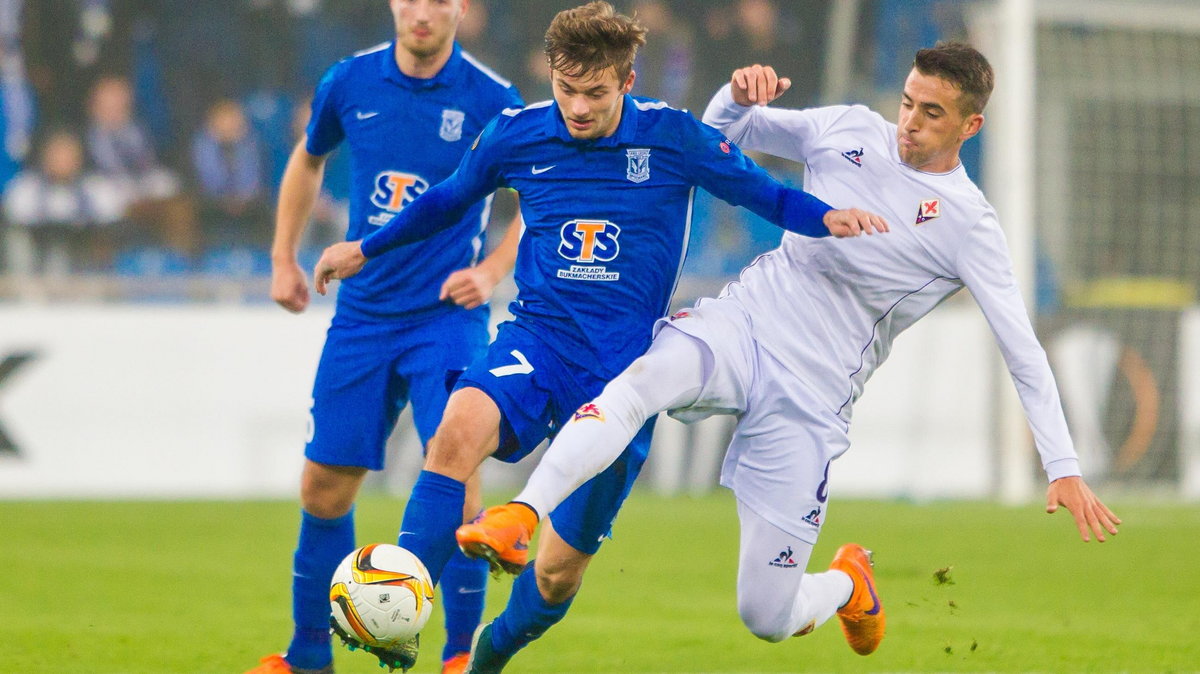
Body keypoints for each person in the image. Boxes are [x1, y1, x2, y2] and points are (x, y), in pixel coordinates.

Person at [457, 42, 1122, 665]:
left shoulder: (970, 225)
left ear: (969, 127)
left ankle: (846, 582)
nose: (909, 123)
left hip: (813, 395)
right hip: (746, 324)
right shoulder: (851, 127)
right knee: (641, 383)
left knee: (766, 615)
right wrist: (737, 96)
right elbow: (723, 139)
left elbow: (1021, 349)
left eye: (932, 113)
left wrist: (1061, 464)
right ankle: (521, 514)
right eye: (908, 103)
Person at [312, 3, 887, 672]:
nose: (578, 108)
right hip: (538, 342)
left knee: (555, 577)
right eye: (566, 89)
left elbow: (768, 195)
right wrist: (366, 248)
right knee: (454, 434)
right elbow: (448, 198)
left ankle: (485, 659)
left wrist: (829, 217)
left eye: (595, 92)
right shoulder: (517, 134)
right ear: (551, 75)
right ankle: (404, 599)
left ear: (628, 80)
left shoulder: (674, 137)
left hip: (623, 377)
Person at [246, 0, 523, 673]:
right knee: (323, 489)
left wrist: (489, 271)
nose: (421, 12)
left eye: (438, 0)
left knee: (458, 484)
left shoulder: (494, 98)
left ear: (462, 8)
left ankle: (460, 658)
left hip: (445, 319)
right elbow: (308, 161)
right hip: (363, 316)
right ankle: (309, 656)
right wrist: (283, 257)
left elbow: (538, 201)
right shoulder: (349, 81)